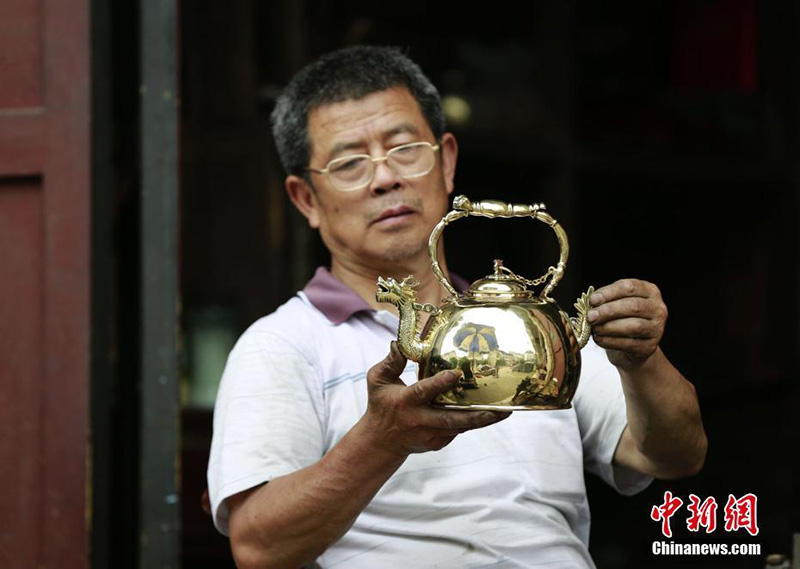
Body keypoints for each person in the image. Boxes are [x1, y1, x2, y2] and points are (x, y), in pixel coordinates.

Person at [207, 45, 707, 569]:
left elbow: (674, 455)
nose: (385, 178)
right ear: (305, 198)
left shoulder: (530, 330)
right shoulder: (283, 345)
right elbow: (258, 547)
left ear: (446, 161)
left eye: (404, 149)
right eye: (351, 162)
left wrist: (642, 362)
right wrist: (381, 442)